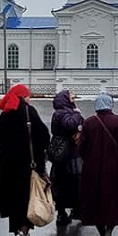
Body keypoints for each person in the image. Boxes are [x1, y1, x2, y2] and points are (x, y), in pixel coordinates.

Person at [0, 84, 50, 236]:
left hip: (7, 167)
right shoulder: (28, 111)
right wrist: (41, 160)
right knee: (27, 201)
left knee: (13, 201)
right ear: (23, 96)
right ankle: (23, 235)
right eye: (28, 95)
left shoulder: (5, 114)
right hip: (26, 167)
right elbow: (43, 135)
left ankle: (19, 235)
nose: (29, 98)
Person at [79, 93, 118, 236]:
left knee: (96, 204)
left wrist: (89, 160)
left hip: (92, 170)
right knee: (114, 203)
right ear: (110, 105)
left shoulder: (89, 122)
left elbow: (81, 148)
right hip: (115, 170)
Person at [50, 90, 84, 225]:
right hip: (69, 153)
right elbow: (70, 125)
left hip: (60, 152)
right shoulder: (64, 113)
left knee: (61, 182)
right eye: (71, 96)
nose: (74, 97)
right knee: (74, 182)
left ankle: (64, 211)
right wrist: (77, 114)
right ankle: (73, 210)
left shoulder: (59, 112)